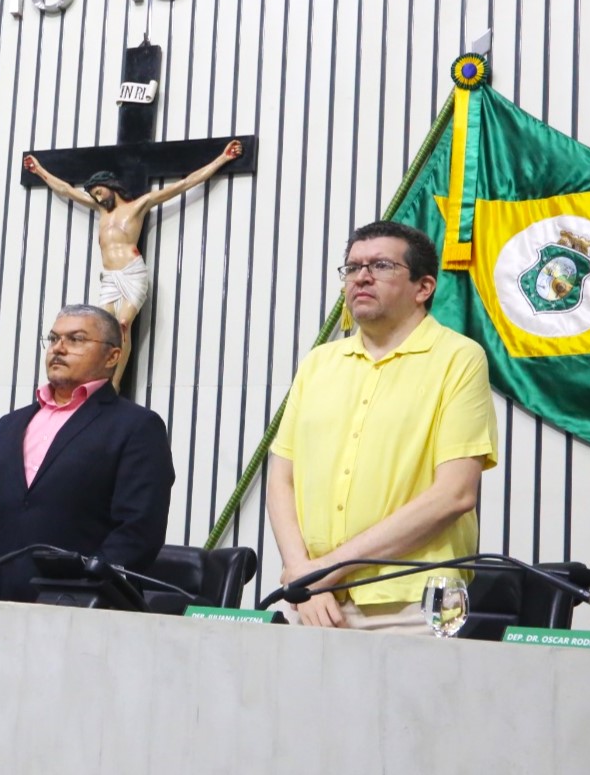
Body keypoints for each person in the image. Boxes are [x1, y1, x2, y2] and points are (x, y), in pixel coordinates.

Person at [266, 221, 497, 632]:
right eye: (352, 268)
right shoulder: (319, 362)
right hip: (311, 598)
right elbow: (282, 478)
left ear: (423, 287)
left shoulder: (458, 358)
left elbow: (455, 494)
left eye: (381, 265)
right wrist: (302, 572)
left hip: (413, 603)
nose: (362, 277)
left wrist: (325, 569)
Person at [0, 304, 173, 602]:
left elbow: (138, 530)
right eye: (54, 338)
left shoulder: (136, 427)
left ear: (113, 356)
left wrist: (77, 594)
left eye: (76, 339)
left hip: (86, 610)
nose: (59, 348)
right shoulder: (10, 425)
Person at [25, 141, 242, 388]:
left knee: (122, 325)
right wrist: (39, 170)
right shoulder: (100, 210)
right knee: (101, 330)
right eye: (93, 193)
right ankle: (99, 377)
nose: (97, 196)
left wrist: (222, 159)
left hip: (132, 271)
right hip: (109, 277)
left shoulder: (138, 206)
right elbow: (65, 189)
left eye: (99, 191)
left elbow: (184, 184)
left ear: (111, 187)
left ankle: (114, 382)